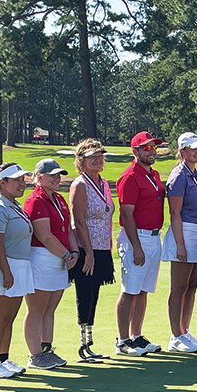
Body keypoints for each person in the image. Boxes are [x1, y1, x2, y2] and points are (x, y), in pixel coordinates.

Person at [115, 131, 166, 356]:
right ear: (135, 151)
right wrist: (136, 246)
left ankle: (136, 336)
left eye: (154, 147)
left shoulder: (153, 174)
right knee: (129, 290)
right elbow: (127, 215)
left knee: (143, 291)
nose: (152, 151)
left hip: (154, 237)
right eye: (146, 148)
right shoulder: (129, 177)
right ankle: (123, 340)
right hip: (136, 237)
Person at [23, 158, 78, 369]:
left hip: (60, 257)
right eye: (52, 175)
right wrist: (67, 256)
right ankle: (35, 355)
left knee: (50, 309)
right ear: (39, 177)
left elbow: (68, 229)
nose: (57, 178)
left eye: (59, 174)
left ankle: (46, 349)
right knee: (37, 308)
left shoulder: (59, 199)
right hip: (42, 257)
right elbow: (44, 236)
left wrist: (74, 252)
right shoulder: (36, 200)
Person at [162, 132, 197, 353]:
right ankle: (175, 335)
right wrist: (180, 244)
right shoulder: (178, 176)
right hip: (184, 232)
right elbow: (174, 212)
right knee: (179, 287)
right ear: (182, 151)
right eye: (192, 148)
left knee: (191, 287)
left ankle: (185, 331)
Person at [0, 163, 35, 378]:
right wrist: (6, 272)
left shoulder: (13, 205)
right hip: (6, 267)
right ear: (1, 183)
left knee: (9, 318)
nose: (21, 184)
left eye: (23, 180)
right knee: (1, 319)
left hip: (19, 266)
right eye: (16, 180)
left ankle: (3, 359)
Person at [69, 139, 115, 362]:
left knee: (95, 294)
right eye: (92, 157)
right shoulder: (80, 185)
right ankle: (82, 344)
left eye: (100, 156)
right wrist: (88, 253)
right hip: (86, 249)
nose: (98, 160)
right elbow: (78, 221)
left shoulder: (104, 182)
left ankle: (90, 343)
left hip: (102, 247)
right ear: (81, 161)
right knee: (84, 294)